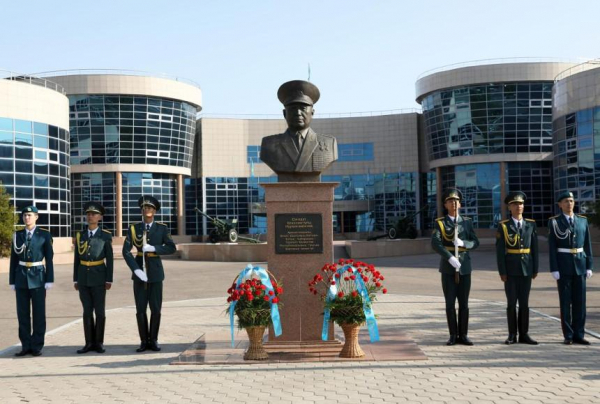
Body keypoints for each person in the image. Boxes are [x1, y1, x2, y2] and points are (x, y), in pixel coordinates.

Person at [123, 196, 176, 352]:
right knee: (140, 309)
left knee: (156, 309)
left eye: (150, 208)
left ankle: (153, 340)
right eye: (145, 208)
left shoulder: (162, 228)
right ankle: (143, 340)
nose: (147, 210)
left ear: (155, 211)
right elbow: (125, 251)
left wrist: (154, 248)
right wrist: (136, 270)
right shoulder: (134, 228)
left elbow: (171, 247)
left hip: (155, 273)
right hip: (140, 272)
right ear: (141, 211)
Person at [260, 80, 337, 182]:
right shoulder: (269, 144)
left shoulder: (328, 143)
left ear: (312, 113)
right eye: (292, 109)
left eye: (303, 108)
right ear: (284, 113)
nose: (298, 113)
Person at [431, 189, 479, 346]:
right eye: (450, 201)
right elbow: (436, 243)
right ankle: (453, 335)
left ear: (460, 204)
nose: (454, 203)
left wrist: (464, 243)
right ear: (445, 204)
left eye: (456, 200)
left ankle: (463, 335)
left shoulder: (467, 222)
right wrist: (450, 257)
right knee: (450, 303)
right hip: (448, 267)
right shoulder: (440, 223)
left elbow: (475, 241)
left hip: (465, 266)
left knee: (464, 303)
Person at [548, 191, 593, 345]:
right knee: (566, 302)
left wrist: (589, 265)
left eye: (572, 201)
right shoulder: (554, 222)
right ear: (560, 205)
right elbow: (552, 247)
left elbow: (587, 244)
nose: (569, 204)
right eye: (566, 201)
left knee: (580, 302)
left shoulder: (582, 221)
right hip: (564, 266)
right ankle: (568, 335)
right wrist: (554, 268)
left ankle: (579, 334)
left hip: (580, 264)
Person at [9, 206, 54, 357]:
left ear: (36, 217)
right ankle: (25, 345)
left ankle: (37, 346)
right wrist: (12, 281)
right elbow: (13, 259)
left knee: (39, 314)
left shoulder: (44, 235)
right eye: (24, 215)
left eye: (29, 215)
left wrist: (49, 279)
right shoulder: (18, 235)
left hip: (38, 277)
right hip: (21, 277)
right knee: (22, 314)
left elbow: (49, 258)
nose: (26, 218)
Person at [495, 191, 538, 345]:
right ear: (509, 207)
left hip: (527, 268)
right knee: (512, 303)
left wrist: (535, 268)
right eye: (515, 204)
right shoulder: (504, 226)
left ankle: (524, 334)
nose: (518, 206)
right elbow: (500, 251)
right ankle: (512, 334)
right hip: (511, 270)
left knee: (525, 304)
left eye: (520, 204)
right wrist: (502, 272)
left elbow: (534, 248)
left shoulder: (530, 224)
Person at [73, 202, 113, 354]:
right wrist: (75, 279)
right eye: (88, 214)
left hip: (99, 278)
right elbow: (77, 259)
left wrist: (109, 279)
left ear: (100, 217)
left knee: (100, 311)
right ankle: (89, 342)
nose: (90, 216)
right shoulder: (80, 235)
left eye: (94, 214)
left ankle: (99, 342)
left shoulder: (105, 236)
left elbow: (109, 259)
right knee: (87, 311)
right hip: (83, 278)